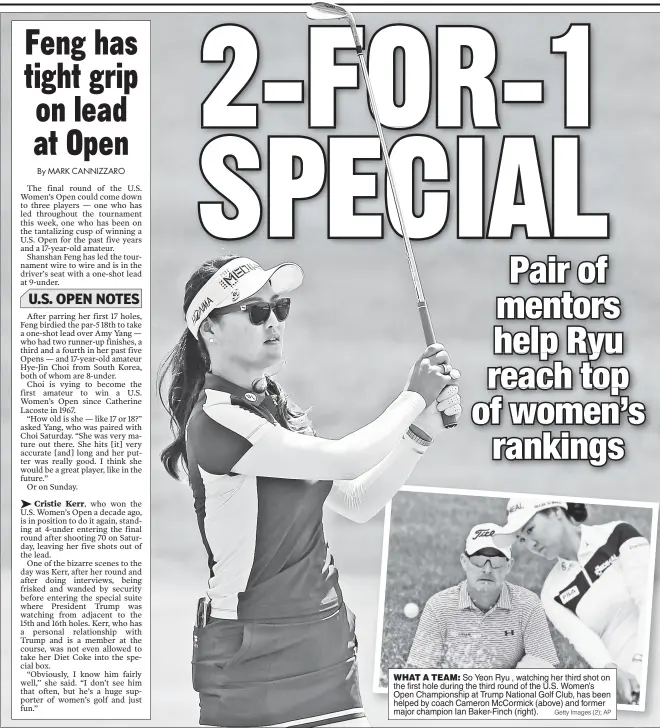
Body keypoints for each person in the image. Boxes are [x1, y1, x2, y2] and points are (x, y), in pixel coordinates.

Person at [158, 254, 462, 728]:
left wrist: (419, 434)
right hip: (249, 657)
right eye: (256, 313)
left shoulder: (279, 409)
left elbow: (358, 501)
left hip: (324, 645)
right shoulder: (217, 421)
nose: (273, 321)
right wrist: (414, 396)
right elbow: (346, 457)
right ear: (210, 329)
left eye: (279, 308)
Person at [493, 498, 651, 705]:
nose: (530, 544)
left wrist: (640, 665)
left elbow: (648, 601)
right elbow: (586, 642)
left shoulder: (619, 534)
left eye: (530, 530)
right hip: (631, 685)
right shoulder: (552, 592)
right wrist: (614, 676)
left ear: (556, 511)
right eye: (521, 539)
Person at [406, 522, 558, 669]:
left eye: (496, 560)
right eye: (478, 559)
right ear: (464, 562)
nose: (487, 569)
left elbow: (545, 668)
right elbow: (418, 673)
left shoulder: (528, 604)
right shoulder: (438, 606)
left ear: (509, 566)